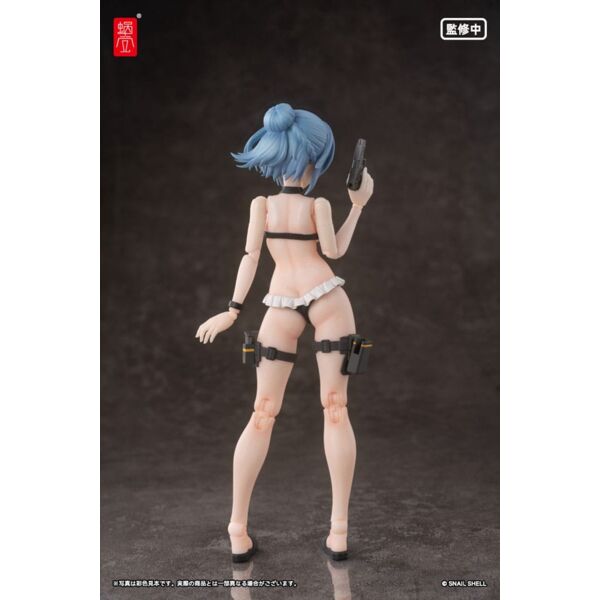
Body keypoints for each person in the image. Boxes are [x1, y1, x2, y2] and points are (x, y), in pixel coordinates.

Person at [196, 103, 374, 562]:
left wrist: (233, 309)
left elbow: (250, 257)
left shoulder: (263, 205)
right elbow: (335, 251)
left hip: (280, 301)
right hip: (325, 296)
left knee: (264, 412)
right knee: (334, 408)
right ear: (314, 156)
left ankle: (240, 529)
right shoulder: (319, 205)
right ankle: (336, 531)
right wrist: (357, 207)